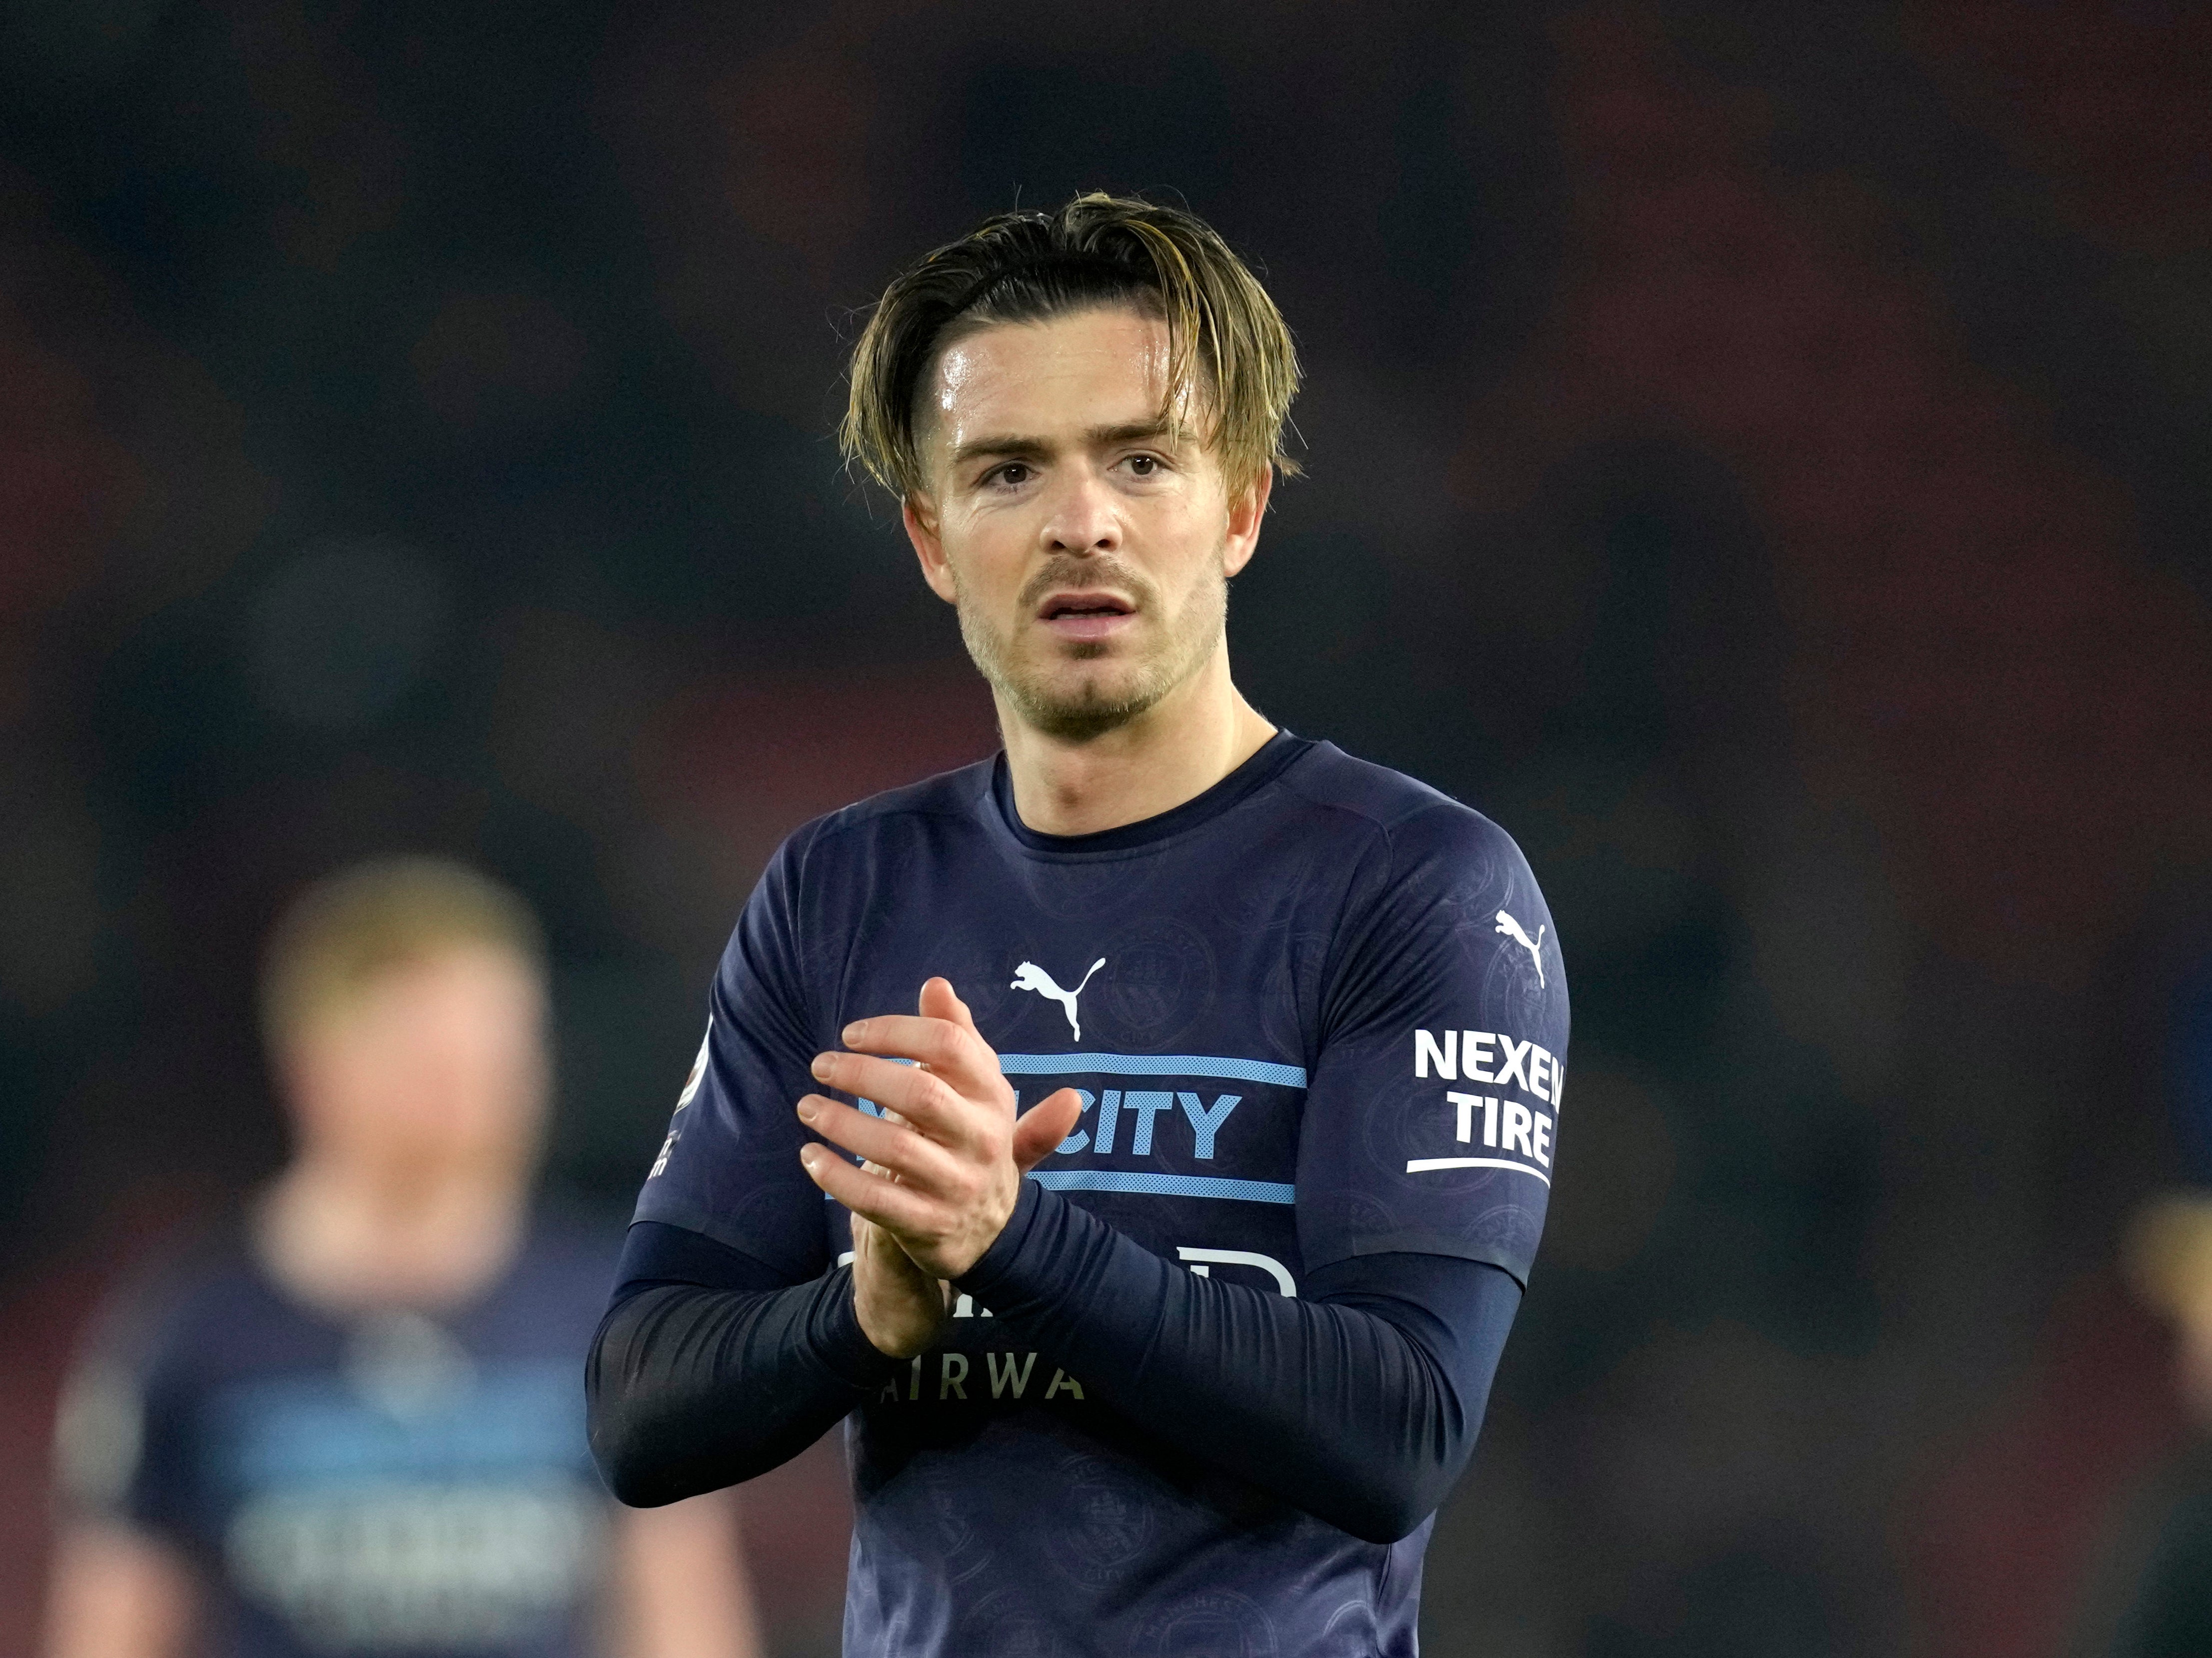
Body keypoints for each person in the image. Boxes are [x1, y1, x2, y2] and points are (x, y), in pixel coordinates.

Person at [588, 192, 1570, 1656]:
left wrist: (1009, 1237)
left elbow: (1400, 1425)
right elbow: (639, 1405)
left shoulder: (1416, 885)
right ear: (932, 537)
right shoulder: (842, 889)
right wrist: (859, 1318)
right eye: (1006, 472)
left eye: (1142, 459)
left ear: (1240, 504)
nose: (1080, 520)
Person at [45, 856, 763, 1658]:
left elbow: (684, 1621)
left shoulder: (615, 1309)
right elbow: (111, 1627)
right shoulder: (191, 1330)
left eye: (505, 1048)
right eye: (436, 1054)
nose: (483, 1087)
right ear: (318, 1065)